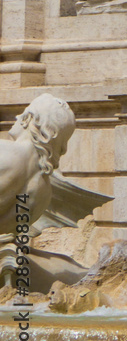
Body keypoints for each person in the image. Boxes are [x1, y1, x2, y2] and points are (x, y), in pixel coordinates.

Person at [0, 95, 75, 238]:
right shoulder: (45, 191)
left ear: (28, 119)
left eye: (23, 113)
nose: (17, 117)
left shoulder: (4, 151)